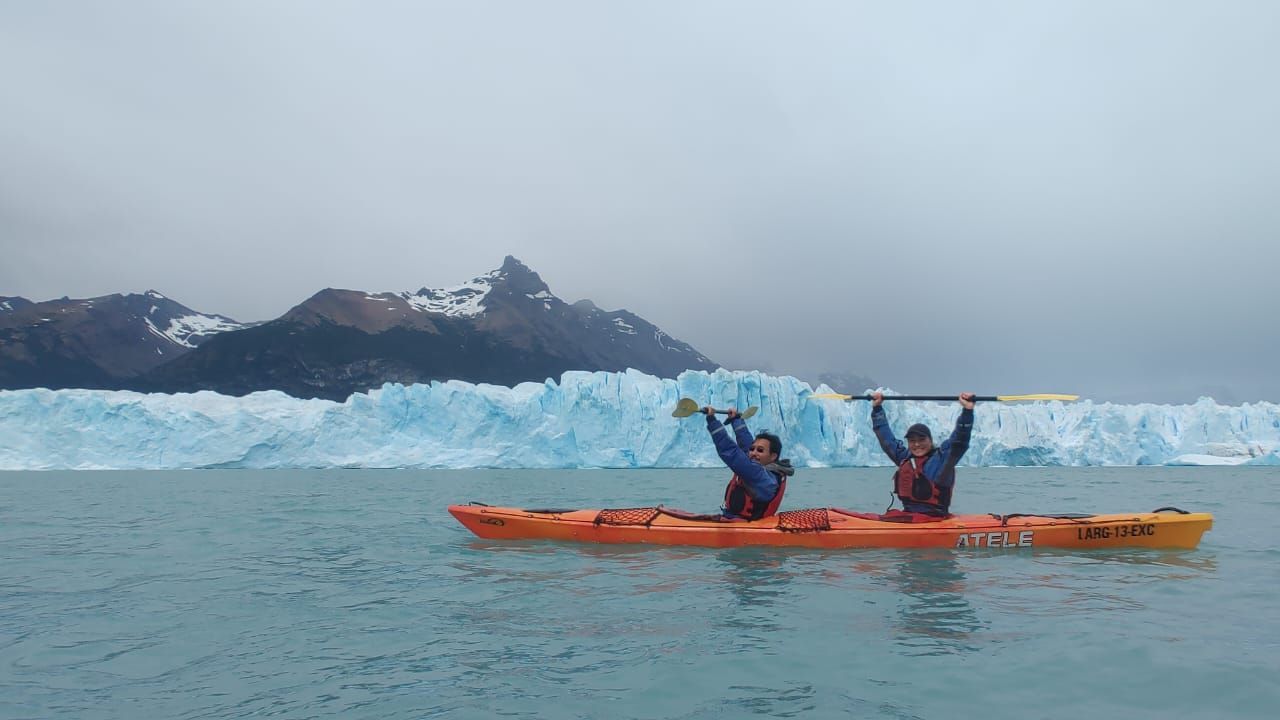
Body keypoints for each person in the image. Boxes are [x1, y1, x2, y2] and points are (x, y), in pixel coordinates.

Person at [870, 391, 975, 519]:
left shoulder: (941, 460)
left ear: (930, 441)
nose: (917, 444)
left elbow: (959, 440)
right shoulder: (905, 458)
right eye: (912, 441)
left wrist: (967, 412)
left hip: (934, 519)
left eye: (921, 440)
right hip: (908, 516)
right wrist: (877, 409)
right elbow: (886, 439)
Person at [702, 405, 794, 520]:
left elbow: (731, 452)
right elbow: (747, 446)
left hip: (745, 525)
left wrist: (712, 421)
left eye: (760, 450)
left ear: (773, 456)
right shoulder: (767, 472)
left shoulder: (760, 476)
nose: (754, 453)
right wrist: (736, 420)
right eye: (753, 449)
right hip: (738, 521)